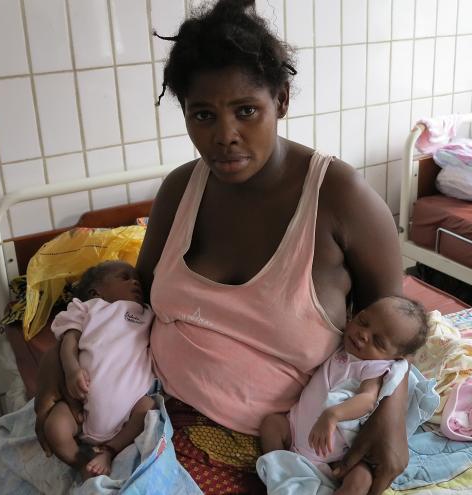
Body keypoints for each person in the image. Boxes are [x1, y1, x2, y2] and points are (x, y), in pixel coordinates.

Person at [34, 1, 408, 493]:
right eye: (203, 115)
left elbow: (399, 331)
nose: (225, 136)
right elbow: (134, 300)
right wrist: (57, 364)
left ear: (282, 99)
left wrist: (391, 417)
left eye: (246, 111)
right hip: (152, 414)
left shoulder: (342, 199)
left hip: (289, 436)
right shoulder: (178, 192)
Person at [259, 296, 428, 495]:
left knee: (362, 478)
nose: (363, 335)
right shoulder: (341, 344)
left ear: (397, 357)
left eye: (378, 341)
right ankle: (278, 469)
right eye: (363, 322)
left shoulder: (375, 367)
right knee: (271, 424)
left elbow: (367, 399)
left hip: (336, 456)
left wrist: (333, 415)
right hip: (294, 431)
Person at [42, 261, 156, 479]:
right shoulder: (88, 308)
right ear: (96, 292)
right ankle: (80, 463)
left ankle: (109, 451)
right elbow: (69, 342)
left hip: (129, 411)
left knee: (148, 407)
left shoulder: (147, 312)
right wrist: (72, 370)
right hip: (80, 408)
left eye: (136, 279)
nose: (135, 281)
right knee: (54, 428)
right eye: (124, 277)